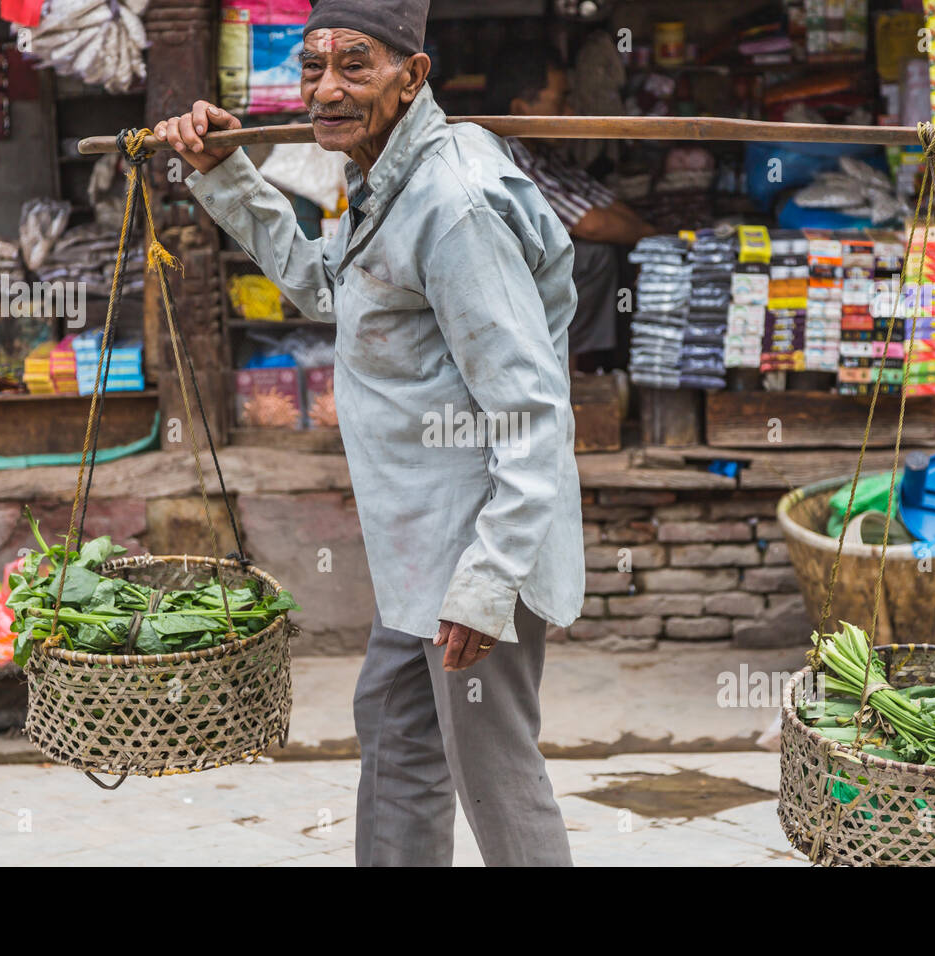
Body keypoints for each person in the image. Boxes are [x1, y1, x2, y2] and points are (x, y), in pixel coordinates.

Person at [156, 0, 582, 867]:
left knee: (493, 776)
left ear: (412, 75)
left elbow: (529, 410)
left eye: (356, 65)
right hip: (418, 550)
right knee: (394, 738)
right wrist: (225, 174)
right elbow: (329, 287)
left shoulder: (453, 204)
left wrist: (486, 583)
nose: (327, 88)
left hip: (474, 547)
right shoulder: (381, 171)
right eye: (313, 67)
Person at [488, 45, 659, 364]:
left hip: (532, 271)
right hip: (508, 282)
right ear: (521, 108)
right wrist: (657, 237)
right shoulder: (507, 158)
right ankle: (573, 369)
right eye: (560, 101)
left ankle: (601, 362)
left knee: (622, 248)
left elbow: (603, 201)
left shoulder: (543, 153)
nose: (570, 112)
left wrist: (651, 233)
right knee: (595, 254)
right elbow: (592, 224)